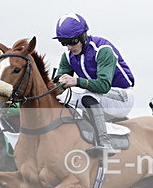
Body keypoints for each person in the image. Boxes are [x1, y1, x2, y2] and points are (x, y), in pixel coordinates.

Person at [52, 12, 135, 157]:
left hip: (121, 97)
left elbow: (103, 86)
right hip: (98, 96)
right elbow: (60, 85)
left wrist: (76, 81)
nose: (69, 47)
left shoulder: (102, 50)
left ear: (83, 36)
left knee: (86, 95)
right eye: (64, 43)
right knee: (62, 98)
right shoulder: (67, 56)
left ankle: (105, 143)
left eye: (72, 41)